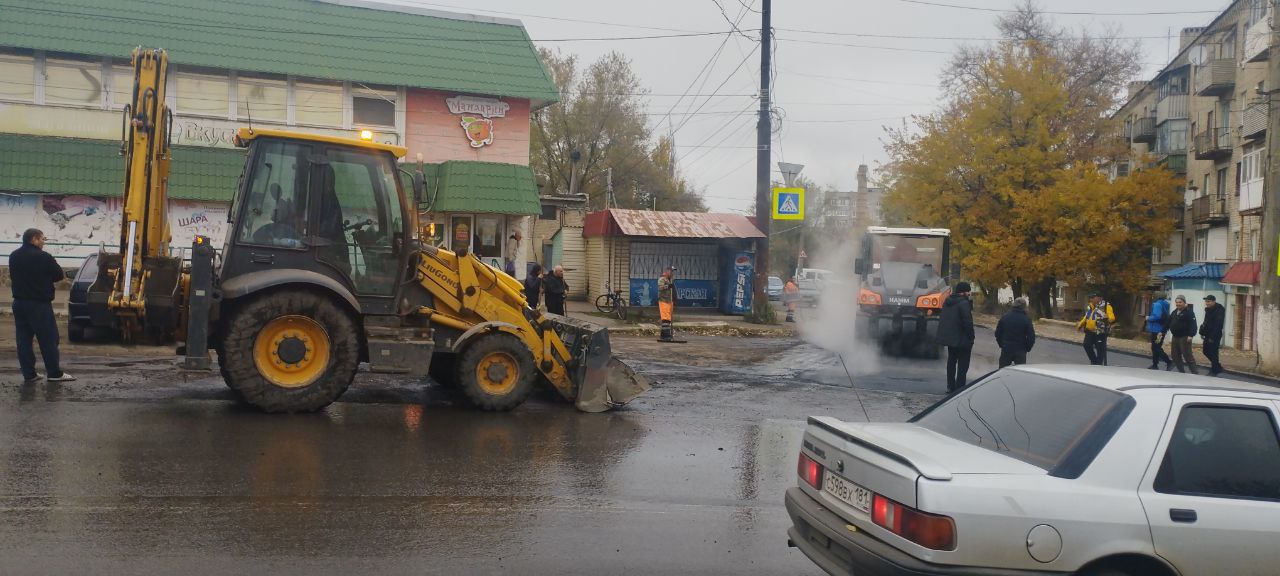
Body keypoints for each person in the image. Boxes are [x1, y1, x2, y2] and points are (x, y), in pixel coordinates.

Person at [10, 229, 75, 384]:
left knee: (23, 340)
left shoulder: (14, 256)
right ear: (34, 239)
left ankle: (29, 374)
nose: (44, 242)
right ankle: (53, 373)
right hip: (38, 304)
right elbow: (59, 275)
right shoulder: (44, 257)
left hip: (19, 303)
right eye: (42, 239)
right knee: (48, 339)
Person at [937, 281, 975, 392]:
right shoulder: (964, 304)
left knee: (951, 363)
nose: (969, 294)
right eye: (968, 291)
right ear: (963, 292)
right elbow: (968, 323)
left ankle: (950, 386)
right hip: (963, 340)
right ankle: (960, 389)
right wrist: (971, 337)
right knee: (963, 366)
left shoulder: (947, 302)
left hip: (951, 340)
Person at [995, 297, 1035, 367]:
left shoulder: (1005, 317)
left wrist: (1002, 344)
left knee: (1002, 372)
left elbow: (998, 333)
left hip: (1006, 349)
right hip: (1020, 350)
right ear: (1024, 307)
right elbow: (1031, 337)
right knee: (1019, 373)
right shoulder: (1026, 319)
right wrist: (1027, 348)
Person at [1076, 292, 1115, 366]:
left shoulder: (1106, 306)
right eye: (1090, 297)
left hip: (1100, 331)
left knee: (1100, 349)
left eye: (1093, 297)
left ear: (1099, 298)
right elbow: (1087, 317)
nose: (1091, 299)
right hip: (1090, 331)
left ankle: (1098, 365)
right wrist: (1080, 324)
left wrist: (1108, 318)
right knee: (1086, 345)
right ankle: (1094, 361)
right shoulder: (1090, 306)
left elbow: (1112, 317)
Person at [1167, 295, 1199, 374]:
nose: (1178, 304)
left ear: (1184, 303)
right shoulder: (1175, 312)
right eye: (1177, 302)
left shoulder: (1189, 312)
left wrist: (1191, 335)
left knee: (1187, 355)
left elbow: (1193, 324)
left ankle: (1195, 373)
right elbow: (1168, 322)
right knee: (1175, 356)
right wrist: (1162, 331)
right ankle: (1181, 372)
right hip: (1175, 336)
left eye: (1180, 302)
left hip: (1185, 337)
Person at [1146, 291, 1173, 371]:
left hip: (1156, 329)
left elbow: (1157, 316)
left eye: (1154, 295)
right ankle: (1155, 364)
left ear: (1157, 296)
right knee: (1155, 347)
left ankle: (1169, 362)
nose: (1153, 296)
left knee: (1156, 347)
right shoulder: (1166, 304)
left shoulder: (1157, 304)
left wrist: (1149, 318)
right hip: (1162, 328)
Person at [1199, 294, 1225, 376]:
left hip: (1215, 335)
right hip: (1207, 334)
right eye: (1206, 301)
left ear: (1214, 301)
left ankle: (1215, 370)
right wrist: (1202, 332)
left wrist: (1212, 337)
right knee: (1205, 351)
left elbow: (1218, 325)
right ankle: (1217, 366)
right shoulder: (1208, 310)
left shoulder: (1219, 310)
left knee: (1213, 352)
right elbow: (1205, 322)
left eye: (1209, 301)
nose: (1207, 303)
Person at [658, 266, 676, 342]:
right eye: (671, 271)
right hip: (664, 301)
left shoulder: (671, 280)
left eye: (673, 271)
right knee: (665, 319)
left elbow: (673, 290)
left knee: (668, 319)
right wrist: (668, 286)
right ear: (667, 271)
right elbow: (660, 287)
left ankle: (664, 335)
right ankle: (666, 336)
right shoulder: (662, 279)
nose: (672, 273)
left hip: (670, 301)